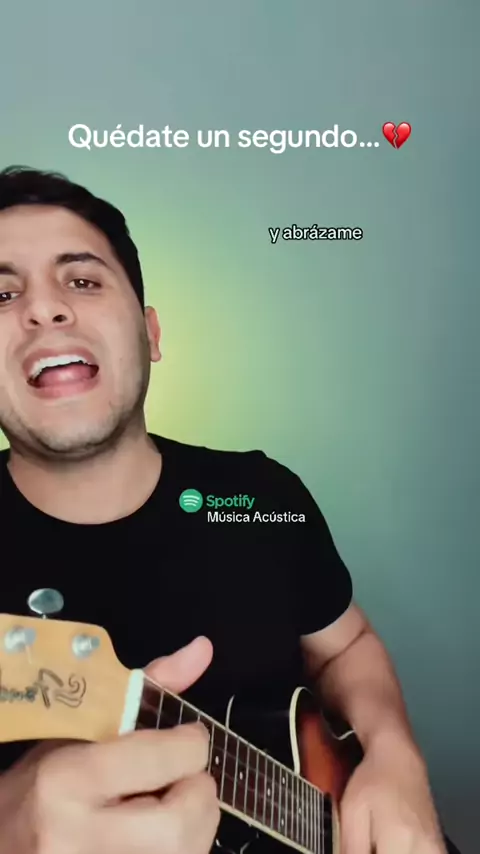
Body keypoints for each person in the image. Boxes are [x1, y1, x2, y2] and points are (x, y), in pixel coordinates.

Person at [0, 166, 456, 854]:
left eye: (82, 280)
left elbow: (347, 645)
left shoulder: (256, 496)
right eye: (2, 294)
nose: (44, 310)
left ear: (150, 334)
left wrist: (395, 756)